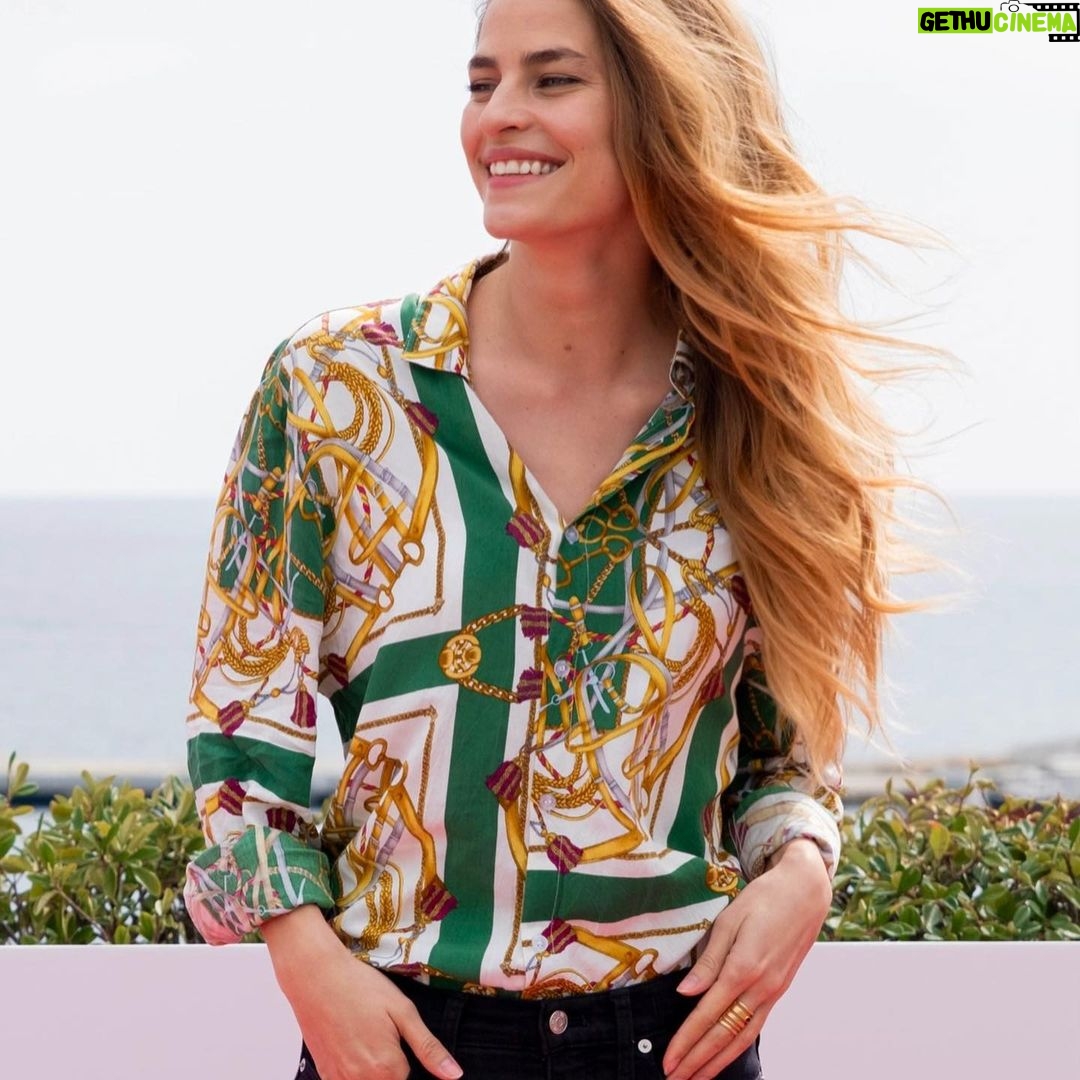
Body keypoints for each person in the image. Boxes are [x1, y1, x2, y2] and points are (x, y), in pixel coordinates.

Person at [182, 1, 936, 1077]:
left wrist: (802, 870)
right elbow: (244, 722)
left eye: (553, 79)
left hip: (678, 1038)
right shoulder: (337, 391)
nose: (499, 115)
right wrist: (305, 962)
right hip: (401, 1042)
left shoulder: (756, 411)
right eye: (482, 81)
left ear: (666, 112)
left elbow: (785, 751)